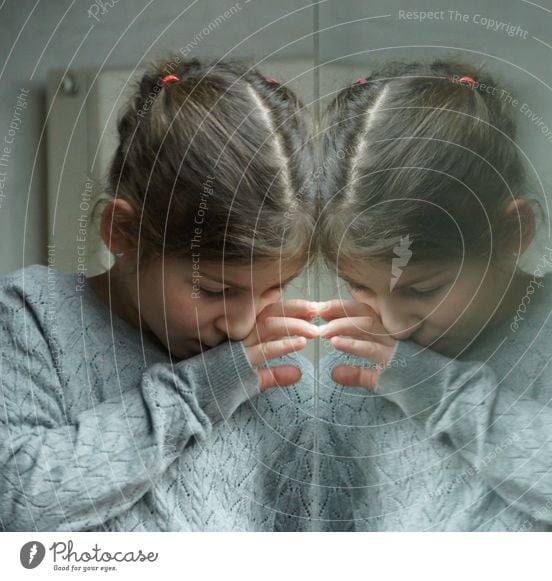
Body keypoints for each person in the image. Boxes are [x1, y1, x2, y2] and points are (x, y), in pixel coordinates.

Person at [313, 60, 552, 531]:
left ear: (512, 232)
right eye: (360, 287)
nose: (395, 324)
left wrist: (437, 390)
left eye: (423, 289)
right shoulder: (355, 369)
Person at [0, 58, 321, 531]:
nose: (242, 325)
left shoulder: (279, 378)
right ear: (124, 233)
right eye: (213, 290)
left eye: (275, 289)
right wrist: (199, 390)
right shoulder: (33, 318)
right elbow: (19, 507)